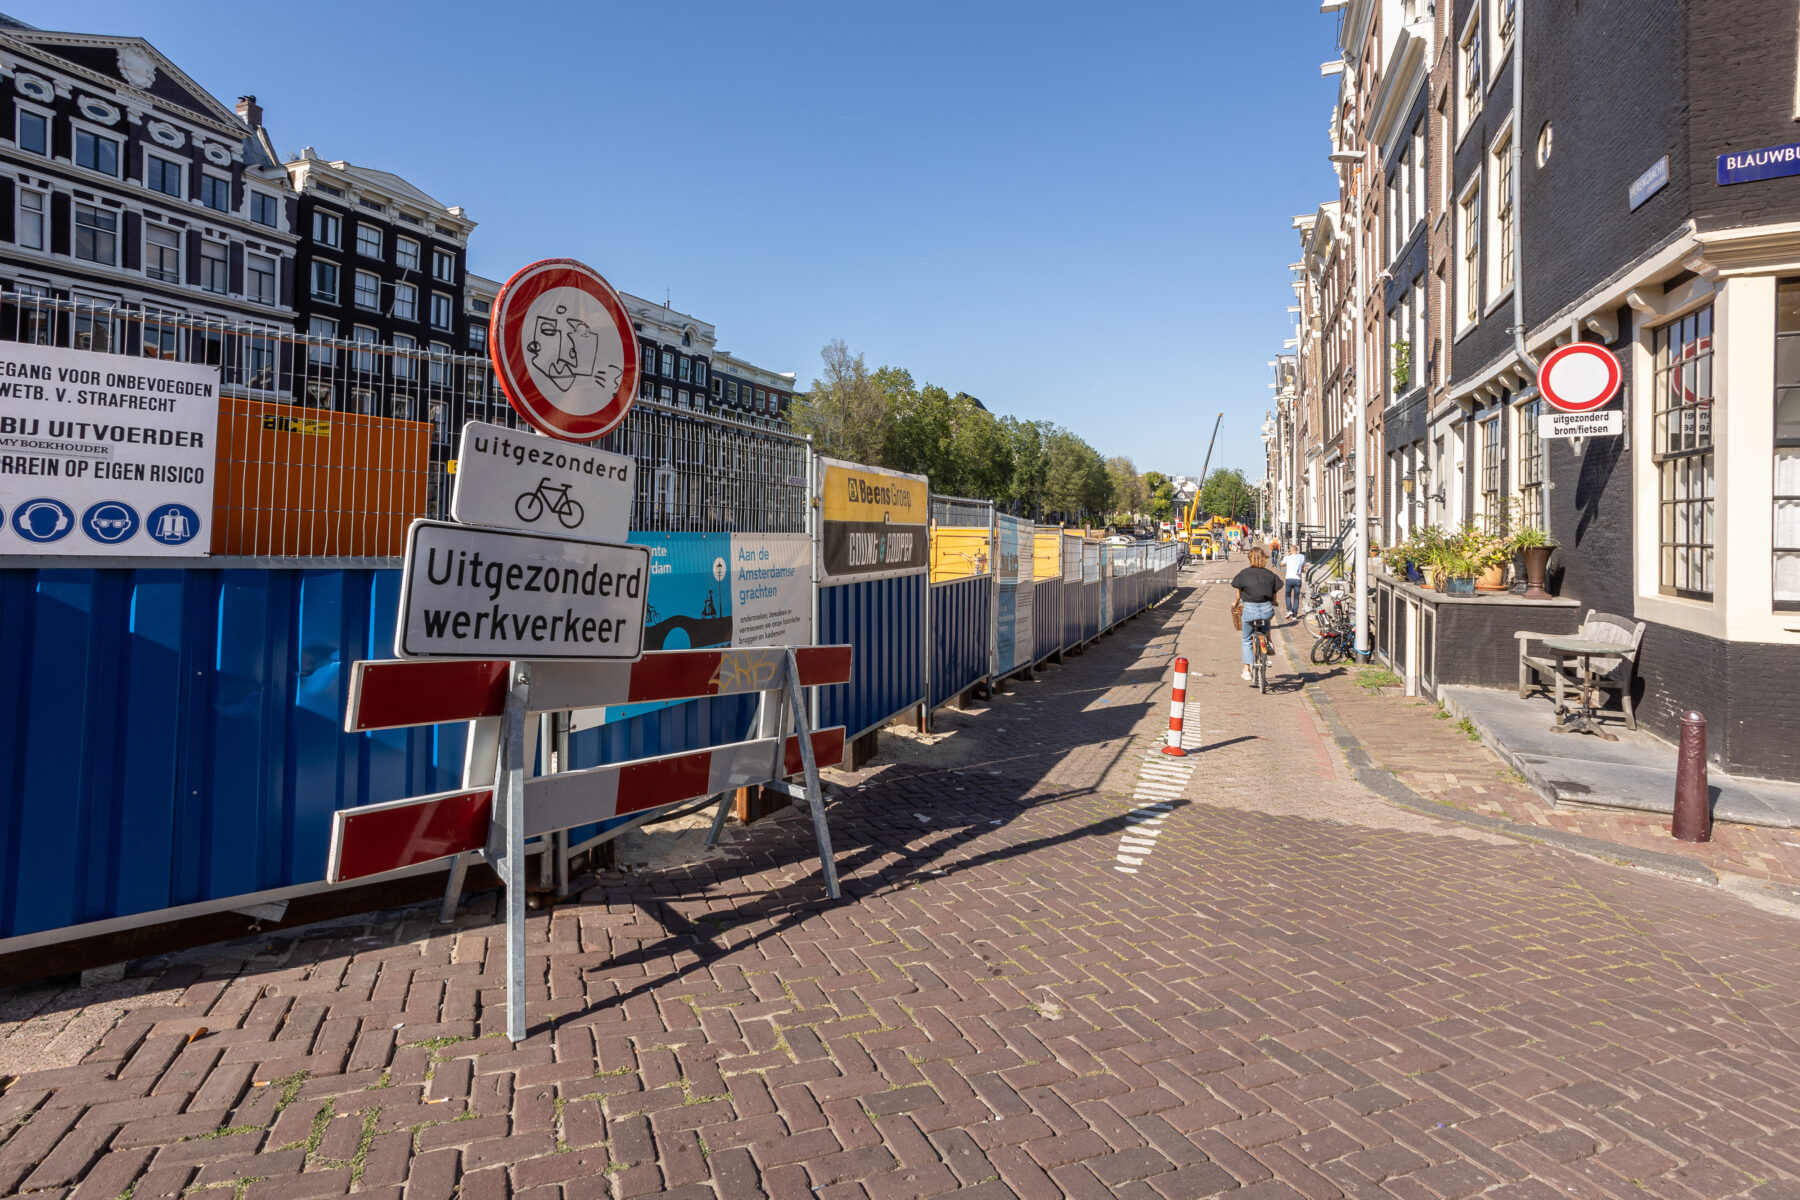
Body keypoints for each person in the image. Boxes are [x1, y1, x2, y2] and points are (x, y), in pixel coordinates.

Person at [1230, 547, 1284, 683]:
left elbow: (1238, 594)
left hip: (1250, 609)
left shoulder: (1244, 574)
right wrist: (1275, 602)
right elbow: (1274, 594)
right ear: (1264, 559)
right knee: (1266, 622)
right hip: (1266, 609)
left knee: (1247, 639)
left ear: (1250, 558)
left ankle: (1247, 670)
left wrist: (1235, 604)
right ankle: (1268, 641)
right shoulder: (1270, 575)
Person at [1280, 545, 1307, 619]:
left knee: (1288, 596)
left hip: (1289, 579)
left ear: (1290, 550)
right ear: (1297, 550)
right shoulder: (1301, 557)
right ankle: (1295, 615)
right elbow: (1304, 569)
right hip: (1298, 579)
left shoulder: (1287, 557)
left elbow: (1281, 564)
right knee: (1296, 598)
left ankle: (1289, 610)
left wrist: (1286, 555)